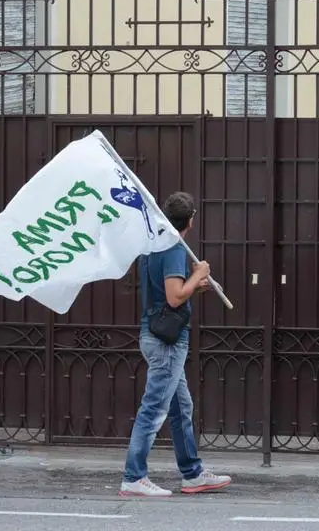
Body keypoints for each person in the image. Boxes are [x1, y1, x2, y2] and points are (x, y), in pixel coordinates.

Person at [119, 191, 232, 497]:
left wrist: (194, 283)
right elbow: (173, 296)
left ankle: (193, 474)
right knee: (154, 408)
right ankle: (134, 476)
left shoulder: (154, 244)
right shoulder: (172, 248)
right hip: (167, 342)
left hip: (156, 335)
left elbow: (170, 291)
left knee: (182, 408)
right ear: (191, 221)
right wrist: (199, 275)